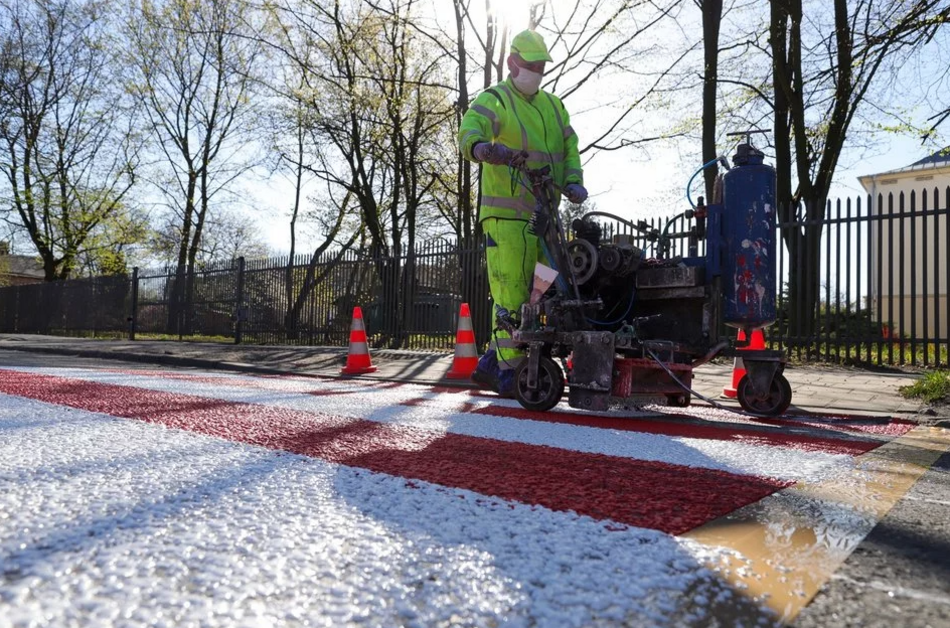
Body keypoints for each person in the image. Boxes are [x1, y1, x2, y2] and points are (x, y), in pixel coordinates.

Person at [458, 29, 587, 398]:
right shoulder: (494, 99)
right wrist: (482, 149)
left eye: (540, 67)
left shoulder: (553, 106)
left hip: (545, 217)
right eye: (529, 66)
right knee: (513, 294)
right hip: (506, 218)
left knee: (544, 291)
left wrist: (574, 181)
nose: (535, 72)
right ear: (512, 63)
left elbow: (569, 148)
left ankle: (490, 363)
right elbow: (469, 131)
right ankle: (508, 371)